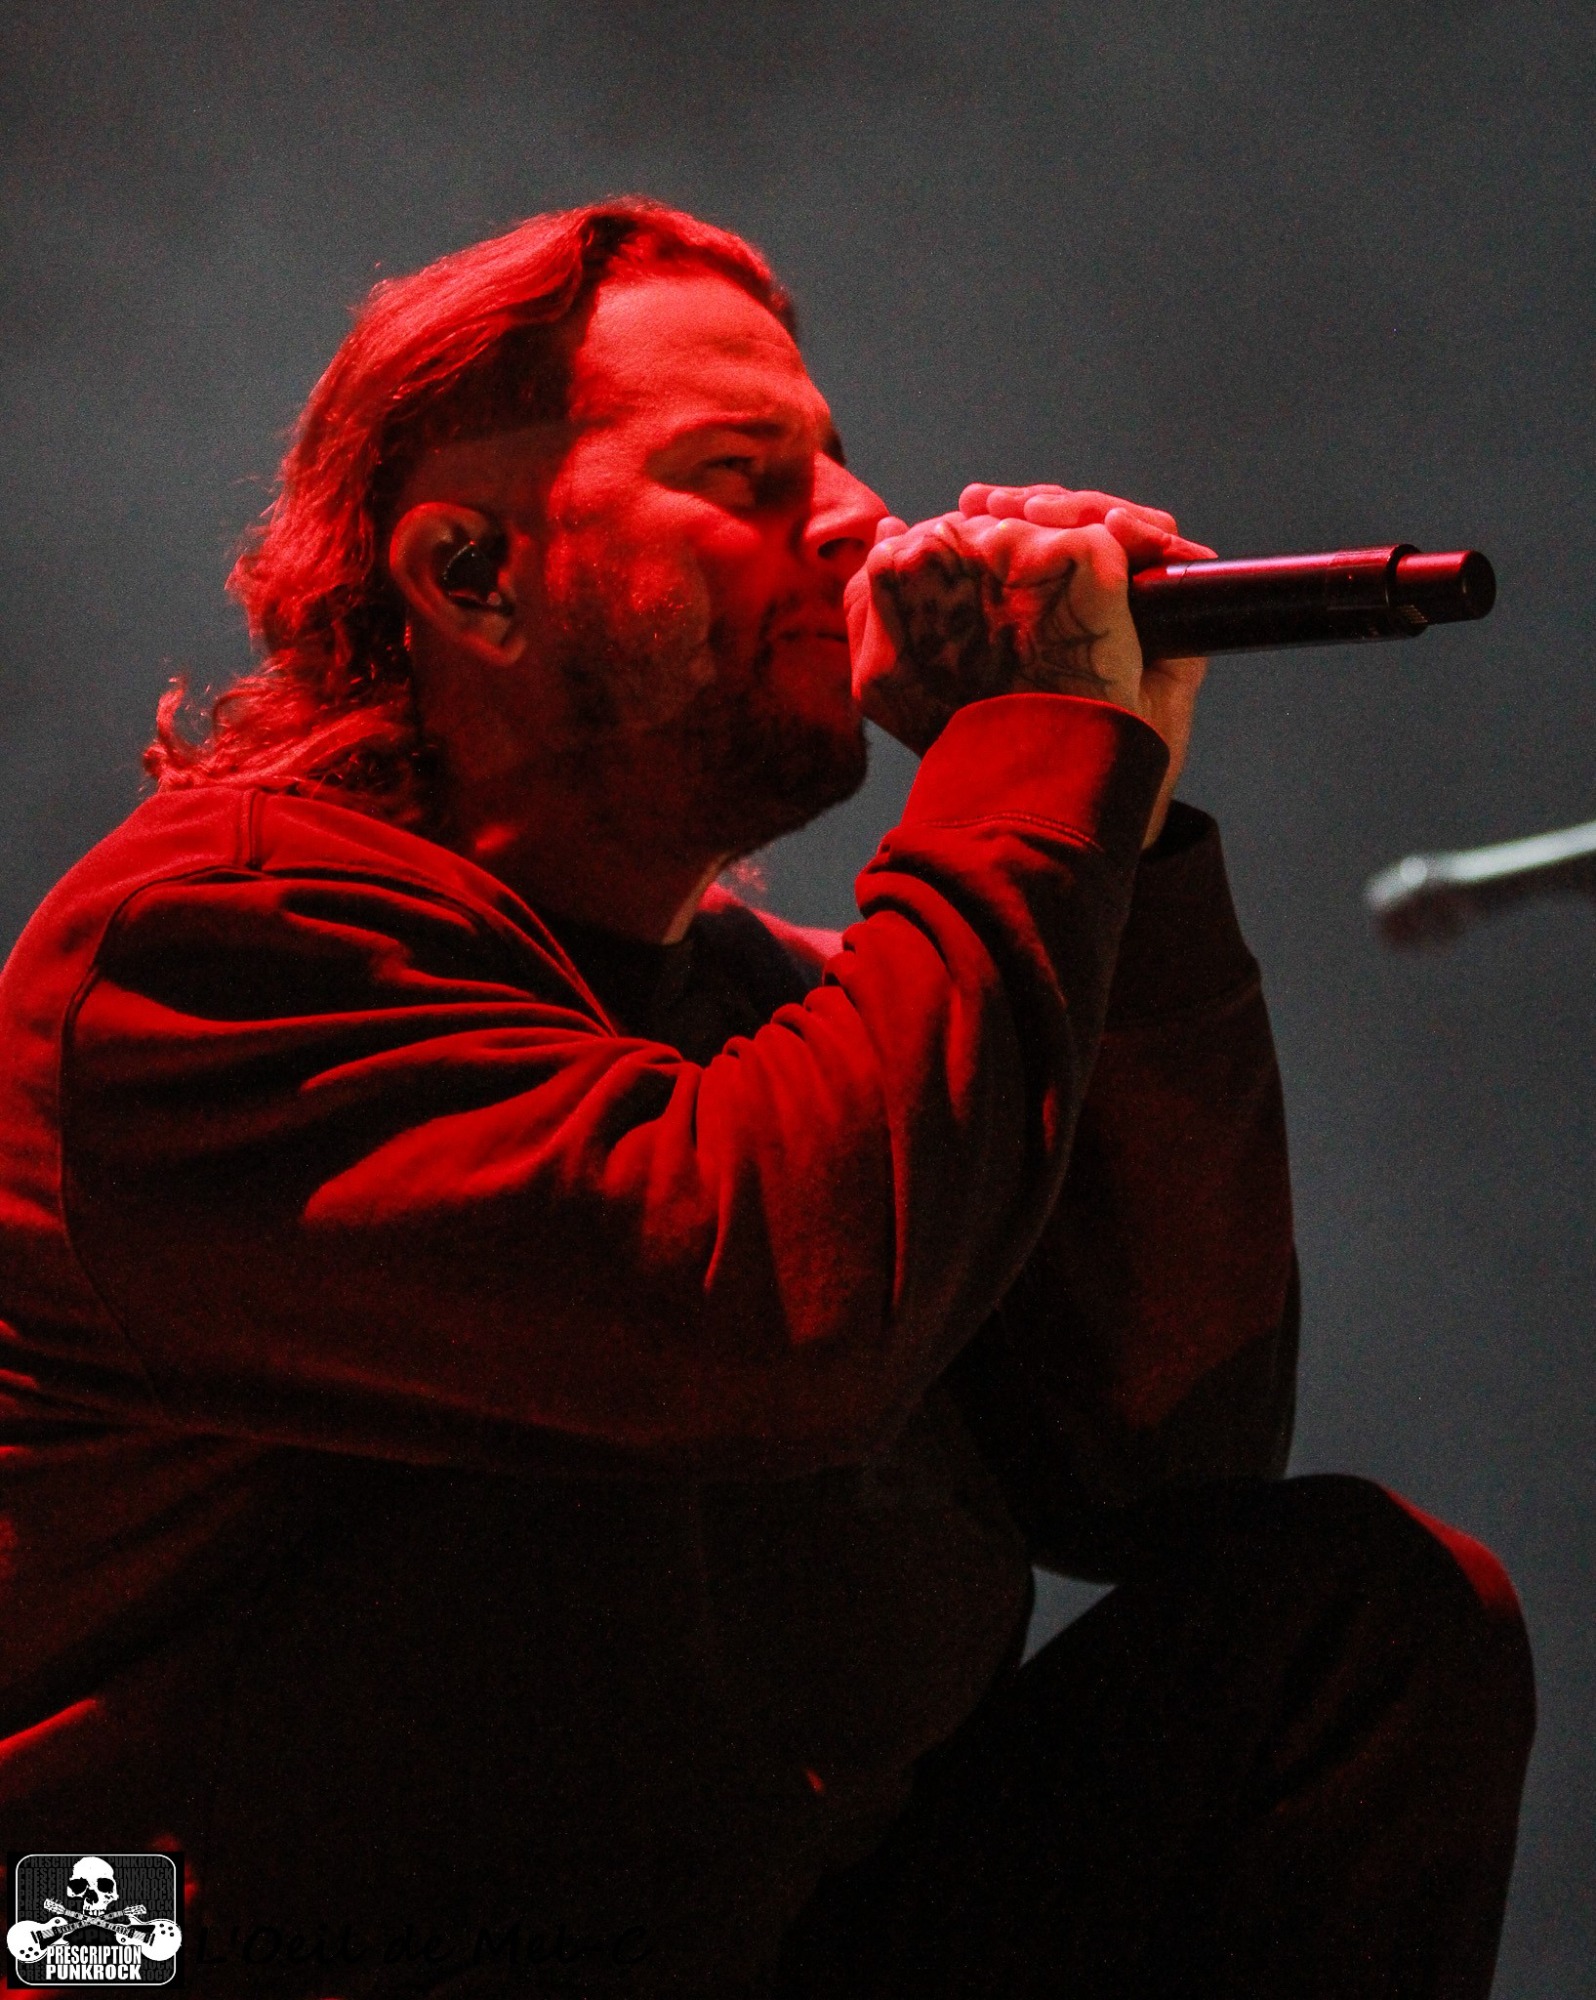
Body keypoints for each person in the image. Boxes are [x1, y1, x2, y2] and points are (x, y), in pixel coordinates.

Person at [0, 200, 1533, 2000]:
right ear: (471, 574)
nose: (863, 519)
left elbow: (1161, 1476)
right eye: (741, 473)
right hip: (195, 1959)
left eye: (834, 455)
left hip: (727, 1944)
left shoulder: (786, 1014)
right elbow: (770, 1312)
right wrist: (1032, 754)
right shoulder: (218, 947)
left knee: (1354, 1626)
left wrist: (1113, 816)